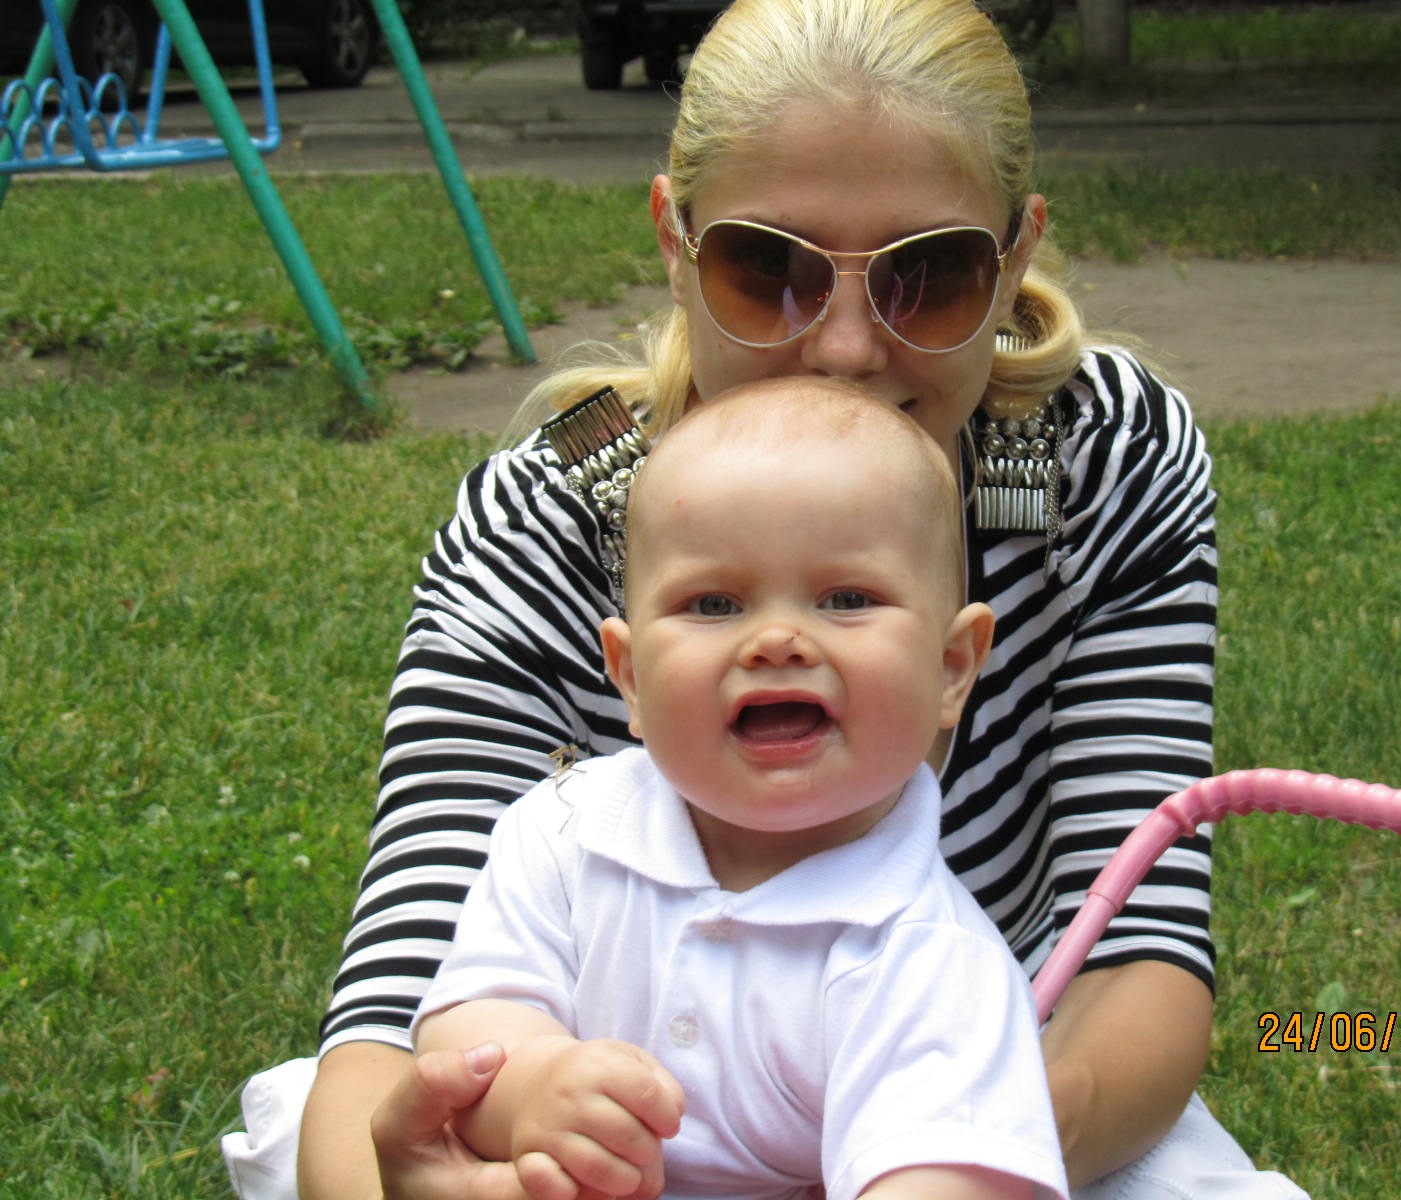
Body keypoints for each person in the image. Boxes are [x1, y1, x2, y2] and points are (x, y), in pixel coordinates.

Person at [221, 0, 1311, 1196]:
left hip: (982, 1087)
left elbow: (1137, 952)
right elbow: (396, 1020)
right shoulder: (547, 523)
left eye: (931, 274)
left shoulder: (1093, 461)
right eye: (767, 269)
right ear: (674, 242)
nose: (844, 347)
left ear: (1014, 258)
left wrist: (946, 1137)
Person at [410, 377, 1069, 1200]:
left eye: (847, 599)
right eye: (714, 603)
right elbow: (465, 1026)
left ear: (951, 667)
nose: (777, 639)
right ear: (631, 677)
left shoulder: (935, 966)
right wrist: (532, 1086)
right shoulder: (564, 832)